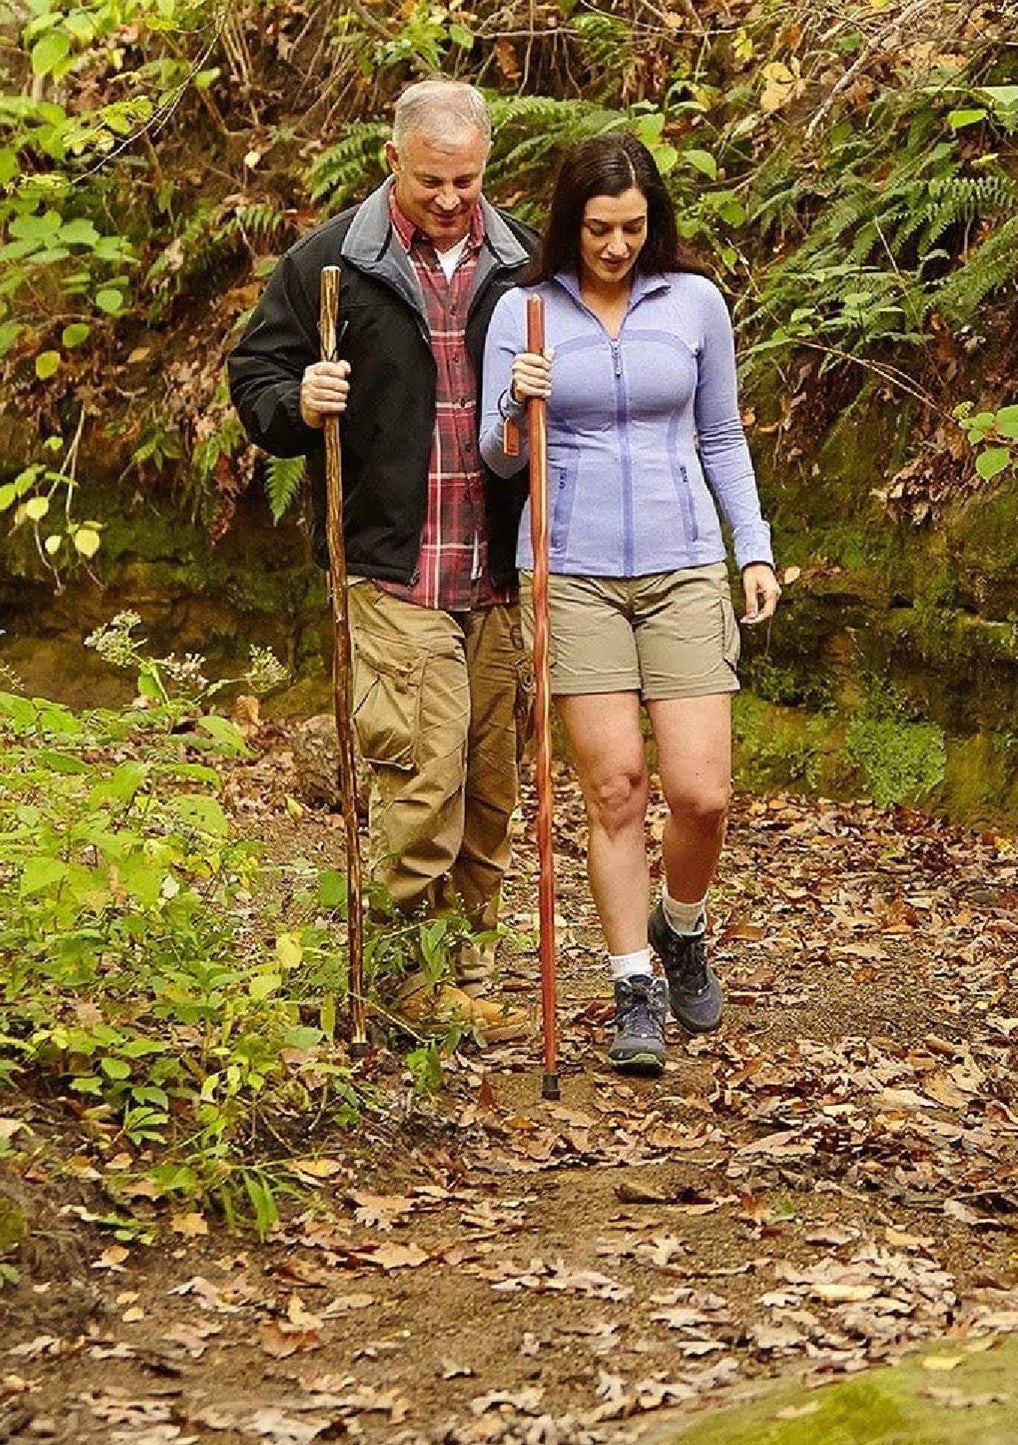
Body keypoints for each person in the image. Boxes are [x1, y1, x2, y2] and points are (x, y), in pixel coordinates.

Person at [228, 80, 535, 1037]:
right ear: (392, 161)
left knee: (491, 783)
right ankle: (398, 981)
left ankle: (464, 964)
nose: (453, 199)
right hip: (391, 564)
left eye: (469, 180)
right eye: (434, 179)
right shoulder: (333, 260)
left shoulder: (521, 260)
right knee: (422, 774)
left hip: (496, 566)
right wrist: (299, 401)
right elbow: (257, 373)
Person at [480, 133, 782, 1075]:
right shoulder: (522, 311)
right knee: (613, 790)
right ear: (570, 224)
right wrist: (511, 410)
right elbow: (500, 459)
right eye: (600, 229)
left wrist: (754, 550)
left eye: (633, 228)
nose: (616, 246)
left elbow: (722, 434)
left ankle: (680, 925)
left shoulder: (692, 303)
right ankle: (631, 985)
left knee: (702, 792)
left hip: (683, 563)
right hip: (570, 572)